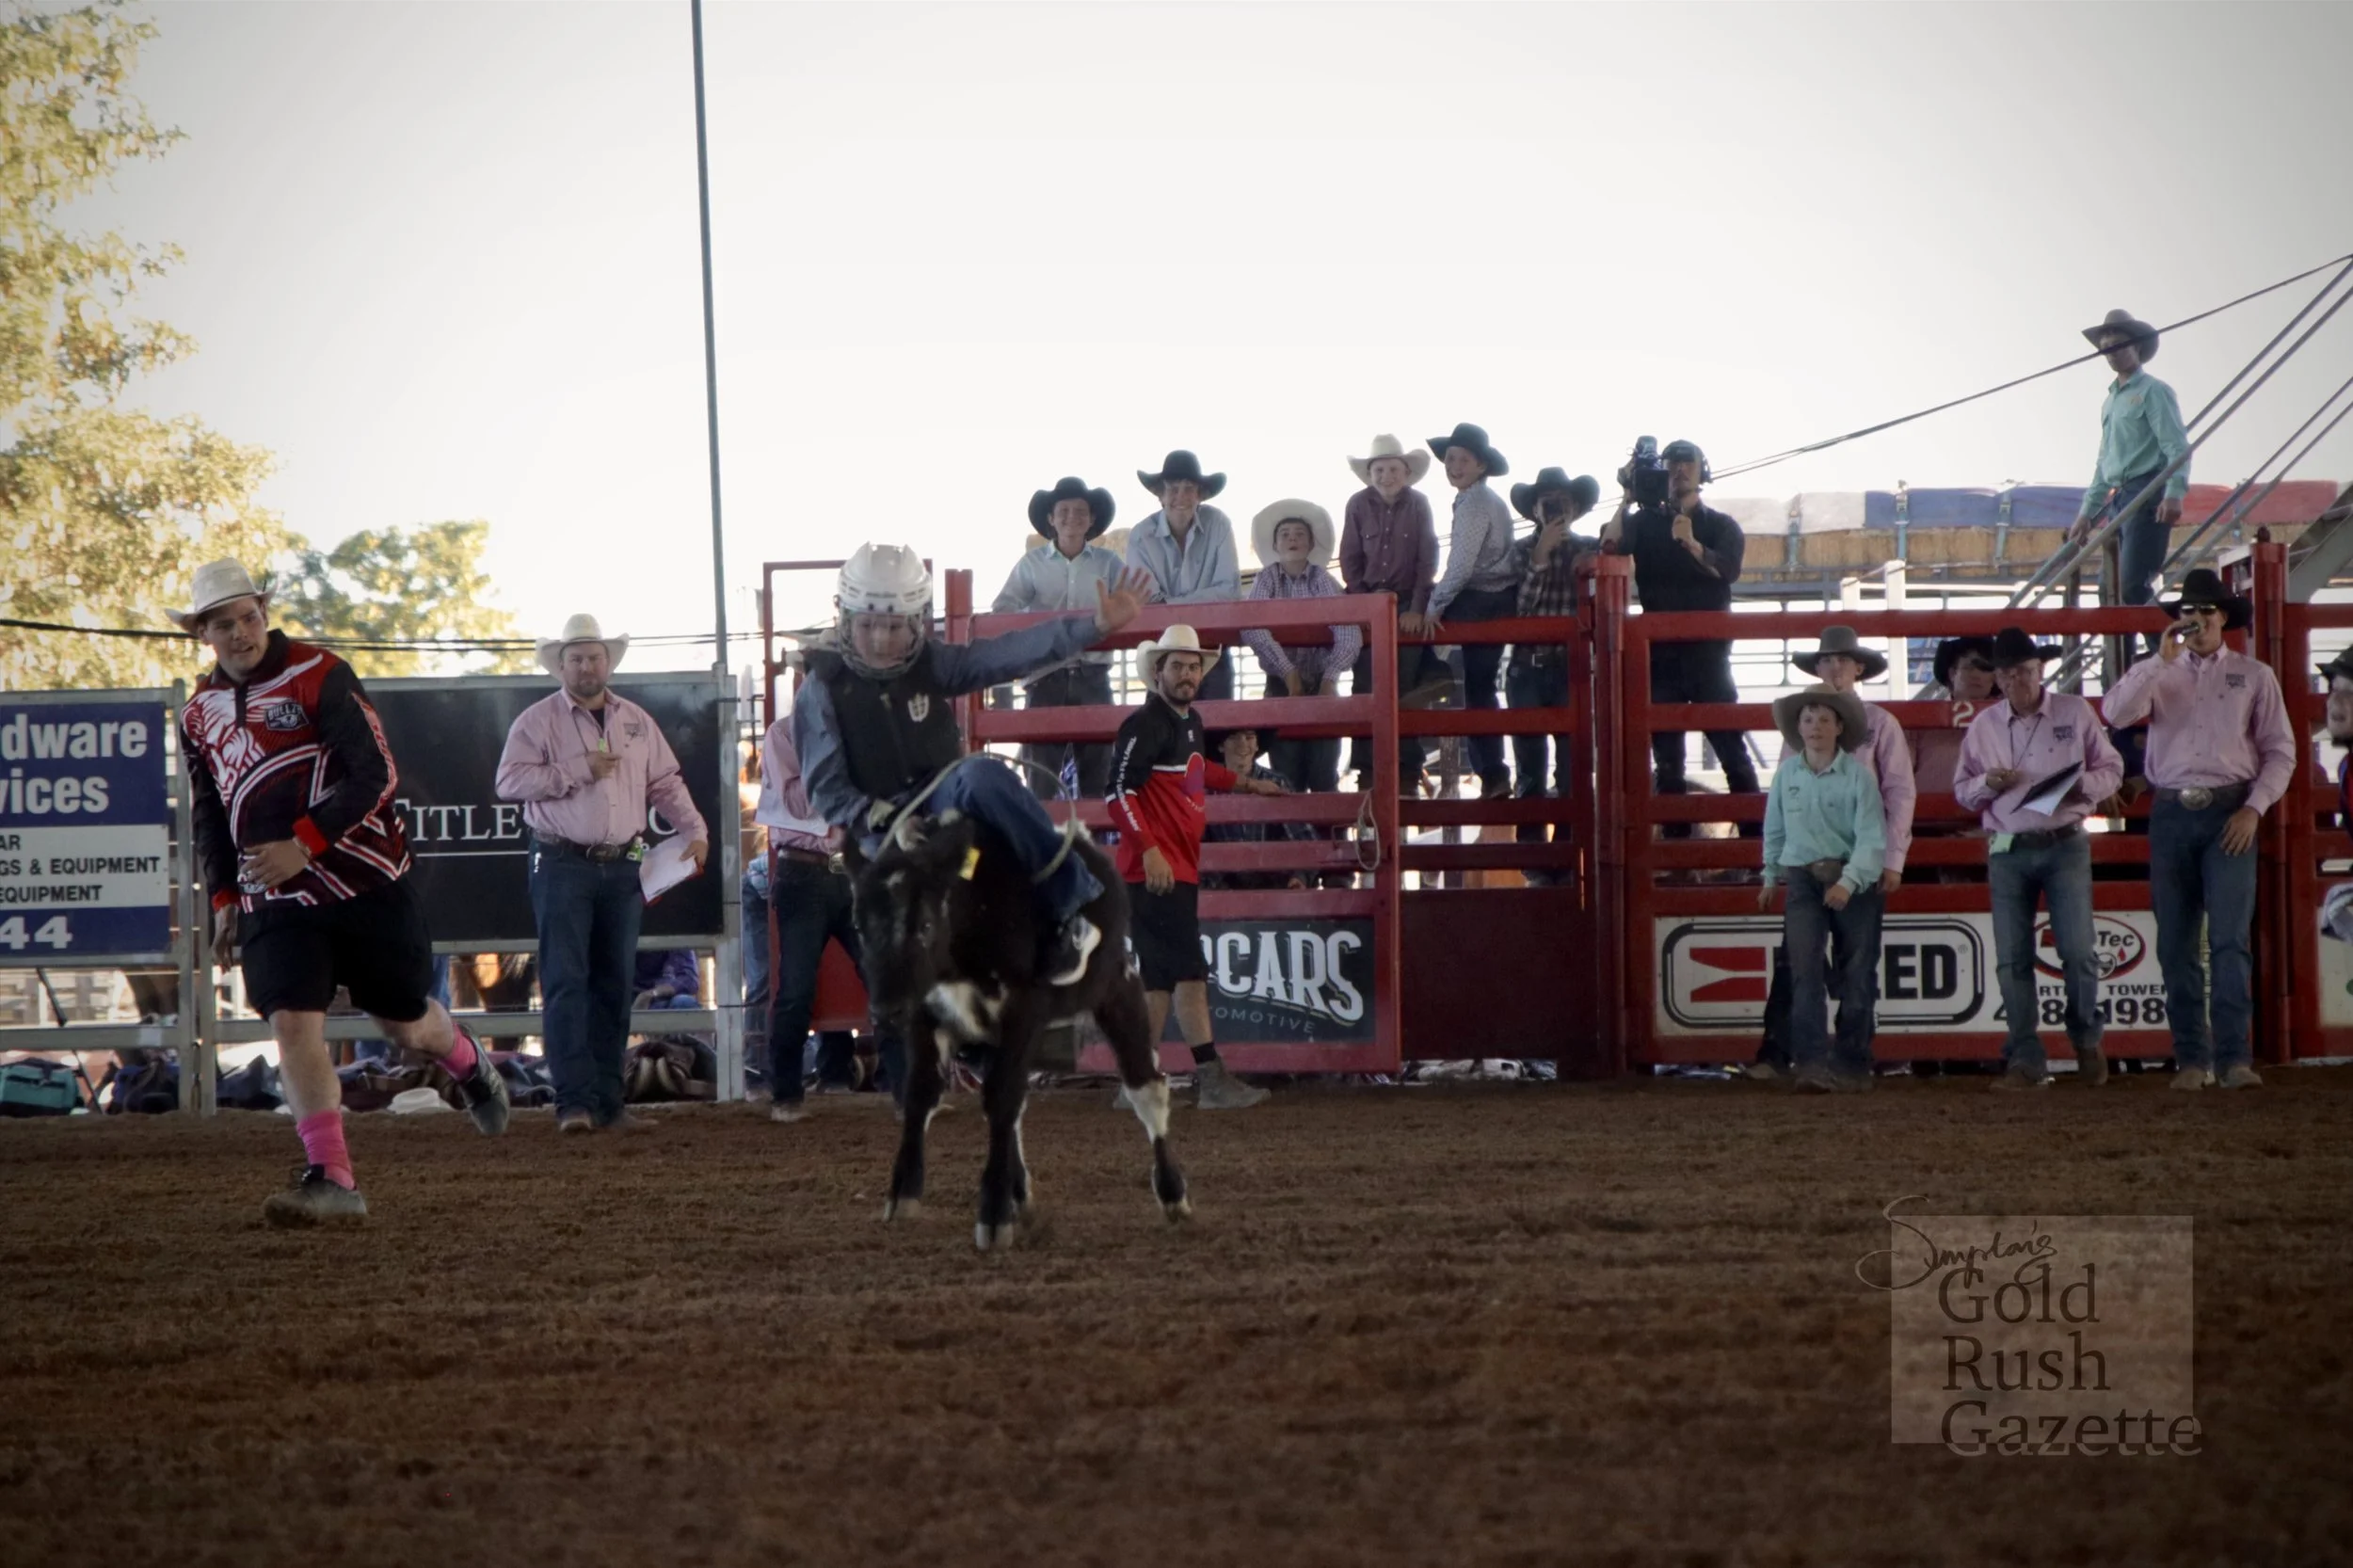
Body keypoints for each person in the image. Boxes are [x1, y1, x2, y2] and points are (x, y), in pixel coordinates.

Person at [173, 559, 506, 1225]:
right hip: (273, 896)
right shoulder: (197, 715)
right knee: (292, 1021)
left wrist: (303, 843)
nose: (240, 633)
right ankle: (331, 1175)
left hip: (365, 880)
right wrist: (225, 898)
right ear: (202, 634)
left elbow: (376, 774)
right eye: (224, 624)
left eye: (248, 617)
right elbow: (209, 812)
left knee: (404, 1023)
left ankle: (468, 1061)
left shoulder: (320, 672)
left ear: (264, 614)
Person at [795, 544, 1153, 985]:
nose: (881, 640)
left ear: (917, 623)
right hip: (880, 827)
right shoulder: (822, 688)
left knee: (981, 774)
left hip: (946, 797)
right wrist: (882, 819)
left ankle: (1073, 904)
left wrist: (1093, 626)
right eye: (868, 625)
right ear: (846, 619)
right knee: (899, 918)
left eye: (894, 626)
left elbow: (1005, 654)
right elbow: (826, 788)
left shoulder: (933, 663)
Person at [496, 614, 710, 1134]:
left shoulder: (635, 720)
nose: (586, 667)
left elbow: (665, 782)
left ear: (608, 662)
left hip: (622, 865)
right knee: (566, 982)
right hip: (561, 861)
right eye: (576, 659)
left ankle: (609, 1104)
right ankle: (574, 1103)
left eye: (594, 657)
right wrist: (576, 772)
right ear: (560, 666)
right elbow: (509, 782)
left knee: (613, 984)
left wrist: (696, 829)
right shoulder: (536, 721)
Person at [2101, 568, 2296, 1090]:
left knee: (2230, 939)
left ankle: (2233, 1058)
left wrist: (2254, 808)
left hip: (2230, 809)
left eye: (2207, 610)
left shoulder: (2254, 675)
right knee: (2176, 942)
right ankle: (2191, 1057)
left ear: (2223, 617)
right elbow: (2115, 713)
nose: (2198, 619)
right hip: (2172, 810)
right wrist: (2155, 663)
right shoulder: (2159, 671)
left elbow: (2280, 750)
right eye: (2190, 610)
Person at [1107, 626, 1289, 1109]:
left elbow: (1195, 771)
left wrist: (1247, 784)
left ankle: (1137, 1081)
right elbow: (1118, 792)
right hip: (1158, 869)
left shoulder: (1186, 723)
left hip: (1168, 867)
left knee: (1160, 977)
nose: (1187, 675)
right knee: (1187, 972)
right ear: (1159, 671)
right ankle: (1209, 1079)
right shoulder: (1145, 724)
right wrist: (1150, 850)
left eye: (1193, 667)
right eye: (1178, 667)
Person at [1953, 628, 2127, 1090]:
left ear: (2040, 670)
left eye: (2024, 672)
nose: (2017, 681)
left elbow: (2112, 768)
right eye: (2007, 675)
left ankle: (2085, 1039)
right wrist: (1986, 784)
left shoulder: (2075, 711)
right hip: (2010, 845)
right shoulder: (1983, 726)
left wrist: (2082, 787)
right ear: (1999, 679)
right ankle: (2028, 1056)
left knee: (2077, 951)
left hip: (2063, 839)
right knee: (2013, 957)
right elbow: (1962, 790)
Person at [1749, 629, 1915, 1080]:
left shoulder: (1879, 723)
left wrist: (1891, 858)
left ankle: (1829, 1059)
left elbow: (1899, 792)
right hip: (1816, 859)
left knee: (1843, 965)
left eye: (1842, 660)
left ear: (1858, 668)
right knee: (1809, 962)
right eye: (1827, 661)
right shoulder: (1807, 736)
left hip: (1855, 856)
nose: (1835, 668)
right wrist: (1775, 867)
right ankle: (1805, 1057)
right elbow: (1784, 800)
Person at [1599, 439, 1760, 833]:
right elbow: (1609, 545)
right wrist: (1627, 496)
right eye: (1671, 462)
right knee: (1667, 762)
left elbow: (1728, 570)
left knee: (1732, 751)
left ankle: (1755, 847)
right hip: (1661, 656)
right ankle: (1673, 849)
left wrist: (1692, 545)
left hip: (1708, 656)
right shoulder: (1643, 521)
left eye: (1687, 462)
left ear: (1702, 470)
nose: (1679, 469)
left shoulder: (1721, 525)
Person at [757, 681, 899, 1122]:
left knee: (887, 980)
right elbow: (798, 802)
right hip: (806, 871)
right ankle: (785, 1094)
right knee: (796, 989)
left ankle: (908, 1089)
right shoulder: (783, 734)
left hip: (852, 870)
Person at [1757, 684, 1885, 1095]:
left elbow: (1871, 839)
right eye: (1809, 720)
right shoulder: (1787, 775)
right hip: (1804, 877)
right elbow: (1774, 828)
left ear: (1838, 728)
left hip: (1850, 876)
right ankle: (1812, 1063)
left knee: (1856, 971)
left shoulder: (1859, 777)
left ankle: (1850, 1061)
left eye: (1824, 720)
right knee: (1806, 969)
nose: (1815, 727)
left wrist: (1848, 882)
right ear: (1799, 728)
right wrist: (1769, 874)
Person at [995, 477, 1124, 800]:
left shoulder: (1109, 564)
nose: (1072, 517)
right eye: (1063, 511)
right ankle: (1042, 834)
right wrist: (1037, 635)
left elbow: (1133, 603)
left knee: (1098, 775)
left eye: (1080, 511)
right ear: (1051, 519)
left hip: (1093, 675)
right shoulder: (1031, 565)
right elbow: (1003, 610)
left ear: (1091, 520)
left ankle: (1094, 834)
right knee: (1040, 778)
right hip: (1045, 678)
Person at [1504, 469, 1600, 876]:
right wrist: (1541, 556)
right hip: (1527, 668)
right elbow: (1519, 609)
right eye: (1548, 502)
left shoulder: (1591, 549)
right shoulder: (1519, 551)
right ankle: (1534, 863)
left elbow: (1605, 601)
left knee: (1572, 767)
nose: (1556, 508)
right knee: (1530, 769)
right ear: (1535, 510)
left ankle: (1566, 857)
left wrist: (1591, 564)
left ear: (1575, 508)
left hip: (1570, 669)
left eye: (1562, 501)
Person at [1338, 434, 1442, 791]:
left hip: (1407, 601)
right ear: (1370, 474)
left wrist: (1417, 608)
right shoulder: (1356, 504)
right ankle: (1368, 772)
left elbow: (1427, 560)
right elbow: (1350, 559)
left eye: (1393, 469)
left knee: (1407, 687)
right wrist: (1364, 602)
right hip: (1368, 601)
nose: (1386, 476)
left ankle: (1408, 773)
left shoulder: (1419, 504)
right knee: (1365, 684)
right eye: (1379, 470)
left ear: (1406, 472)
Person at [2071, 308, 2191, 613]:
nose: (2111, 352)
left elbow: (2176, 446)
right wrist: (2087, 513)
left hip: (2147, 491)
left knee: (2132, 586)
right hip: (2119, 498)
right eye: (2106, 347)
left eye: (2118, 344)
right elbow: (2104, 462)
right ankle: (2124, 648)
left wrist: (2174, 493)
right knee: (2108, 589)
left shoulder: (2154, 391)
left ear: (2136, 345)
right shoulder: (2110, 401)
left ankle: (2161, 643)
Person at [1241, 499, 1361, 795]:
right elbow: (1252, 624)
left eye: (1299, 534)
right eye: (1285, 535)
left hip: (1321, 681)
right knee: (1286, 771)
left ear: (1310, 544)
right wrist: (1287, 671)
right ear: (1275, 545)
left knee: (1324, 771)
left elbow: (1348, 627)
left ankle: (1328, 824)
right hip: (1280, 683)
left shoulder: (1322, 579)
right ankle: (1291, 825)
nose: (1292, 539)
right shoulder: (1267, 578)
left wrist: (1331, 676)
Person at [1425, 423, 1519, 798]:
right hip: (1498, 596)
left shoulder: (1474, 503)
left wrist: (1434, 606)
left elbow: (1462, 566)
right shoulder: (1484, 499)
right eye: (1450, 459)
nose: (1454, 466)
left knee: (1415, 630)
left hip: (1481, 597)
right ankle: (1492, 774)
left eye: (1463, 460)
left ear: (1481, 466)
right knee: (1481, 687)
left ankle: (1431, 677)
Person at [1126, 450, 1241, 702]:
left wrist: (1169, 604)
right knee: (1162, 726)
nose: (1181, 496)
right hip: (1164, 656)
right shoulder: (1140, 536)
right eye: (1173, 489)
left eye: (1189, 488)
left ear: (1200, 495)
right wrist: (1201, 602)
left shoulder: (1219, 523)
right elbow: (1148, 603)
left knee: (1218, 726)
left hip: (1212, 650)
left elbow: (1230, 593)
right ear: (1160, 495)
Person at [1201, 726, 1313, 892]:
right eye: (1233, 737)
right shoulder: (1205, 788)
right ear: (1221, 746)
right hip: (1224, 884)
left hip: (1274, 884)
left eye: (1249, 737)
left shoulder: (1276, 782)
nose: (1242, 744)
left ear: (1257, 745)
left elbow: (1304, 836)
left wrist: (1299, 876)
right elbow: (1197, 843)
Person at [1910, 635, 1999, 798]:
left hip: (1987, 809)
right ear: (1952, 673)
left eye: (1986, 668)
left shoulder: (2006, 719)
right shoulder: (1922, 717)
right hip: (1928, 809)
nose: (1977, 675)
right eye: (1969, 667)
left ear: (1994, 678)